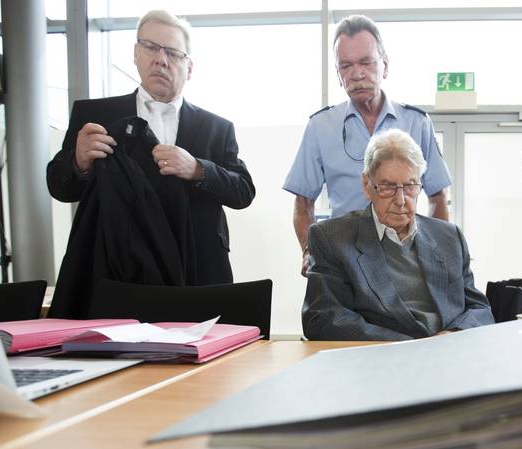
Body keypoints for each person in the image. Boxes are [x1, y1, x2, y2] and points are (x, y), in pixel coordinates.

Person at [47, 9, 254, 290]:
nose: (160, 59)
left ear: (189, 67)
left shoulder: (217, 127)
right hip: (116, 267)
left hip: (196, 267)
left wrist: (197, 169)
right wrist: (79, 161)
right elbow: (59, 187)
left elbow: (243, 191)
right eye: (151, 47)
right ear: (136, 54)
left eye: (172, 52)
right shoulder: (95, 114)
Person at [284, 15, 451, 276]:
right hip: (343, 261)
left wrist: (435, 254)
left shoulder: (416, 122)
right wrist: (310, 251)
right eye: (346, 66)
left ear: (384, 66)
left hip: (404, 261)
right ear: (338, 75)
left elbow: (438, 197)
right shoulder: (320, 126)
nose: (357, 73)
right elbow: (303, 203)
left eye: (366, 62)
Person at [302, 129, 493, 341]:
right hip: (379, 361)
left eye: (410, 186)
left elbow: (479, 310)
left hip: (447, 356)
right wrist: (407, 347)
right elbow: (323, 318)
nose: (401, 200)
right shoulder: (332, 238)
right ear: (367, 185)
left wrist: (452, 336)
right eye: (388, 187)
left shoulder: (448, 237)